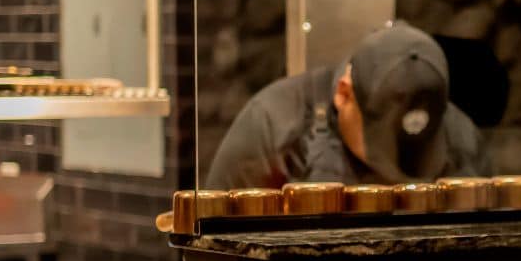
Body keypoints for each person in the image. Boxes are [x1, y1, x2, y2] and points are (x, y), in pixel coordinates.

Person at [206, 22, 491, 188]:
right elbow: (217, 255)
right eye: (382, 148)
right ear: (344, 95)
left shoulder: (462, 140)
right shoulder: (273, 127)